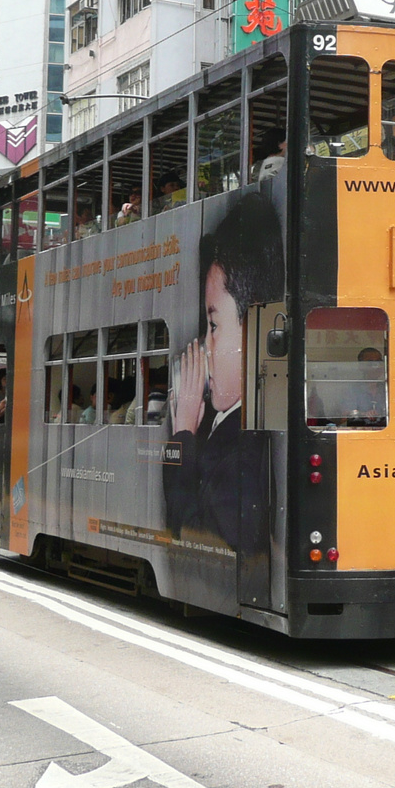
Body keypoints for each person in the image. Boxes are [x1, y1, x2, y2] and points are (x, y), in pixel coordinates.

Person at [165, 191, 283, 555]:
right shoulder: (236, 424)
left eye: (213, 326)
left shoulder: (242, 449)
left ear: (252, 332)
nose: (205, 346)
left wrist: (183, 431)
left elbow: (189, 535)